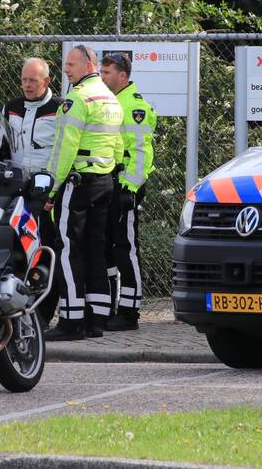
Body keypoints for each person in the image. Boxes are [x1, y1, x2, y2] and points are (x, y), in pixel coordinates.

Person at [43, 44, 123, 341]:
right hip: (104, 182)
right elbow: (117, 146)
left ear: (89, 64)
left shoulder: (77, 99)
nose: (66, 68)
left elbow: (64, 150)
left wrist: (52, 188)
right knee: (96, 249)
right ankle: (96, 319)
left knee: (67, 248)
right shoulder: (111, 100)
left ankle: (71, 321)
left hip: (77, 184)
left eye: (71, 64)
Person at [0, 57, 62, 324]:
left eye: (33, 80)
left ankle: (44, 315)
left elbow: (62, 151)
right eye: (24, 79)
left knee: (46, 250)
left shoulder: (60, 108)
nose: (27, 85)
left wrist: (53, 191)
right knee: (18, 250)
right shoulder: (11, 107)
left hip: (45, 194)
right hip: (17, 191)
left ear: (46, 81)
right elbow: (2, 148)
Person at [100, 52, 157, 331]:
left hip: (126, 187)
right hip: (111, 184)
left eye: (107, 73)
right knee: (110, 247)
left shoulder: (134, 106)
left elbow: (141, 152)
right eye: (101, 72)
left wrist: (130, 189)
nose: (102, 77)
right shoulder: (111, 102)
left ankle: (130, 311)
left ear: (122, 75)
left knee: (126, 248)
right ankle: (112, 307)